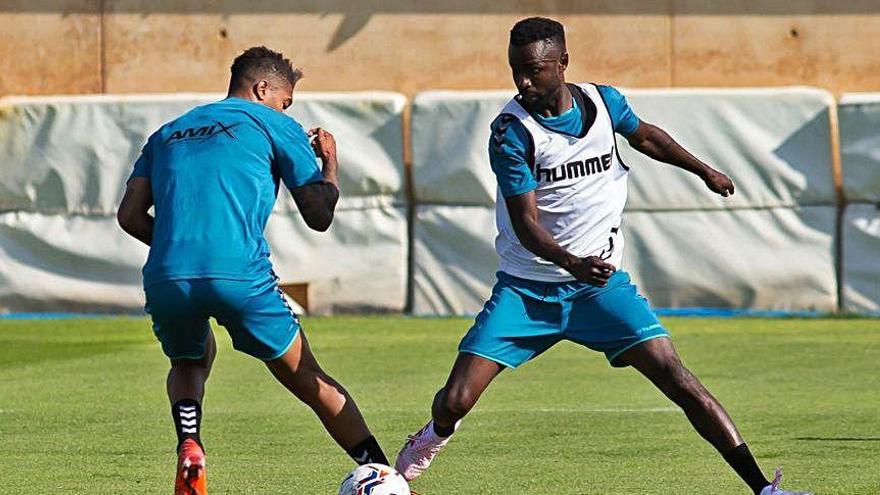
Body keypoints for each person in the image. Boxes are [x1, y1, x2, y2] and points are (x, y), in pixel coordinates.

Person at [395, 17, 810, 495]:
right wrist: (572, 263)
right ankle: (428, 441)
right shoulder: (512, 133)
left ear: (564, 63)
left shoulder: (604, 102)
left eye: (535, 70)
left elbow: (648, 137)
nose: (524, 82)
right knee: (455, 399)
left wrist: (704, 170)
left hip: (599, 287)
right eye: (516, 71)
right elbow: (528, 227)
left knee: (678, 378)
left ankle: (764, 489)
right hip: (527, 290)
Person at [117, 46, 388, 495]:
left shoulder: (167, 133)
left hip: (167, 273)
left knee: (189, 359)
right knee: (310, 380)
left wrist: (176, 245)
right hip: (240, 275)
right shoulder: (276, 125)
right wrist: (330, 163)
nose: (287, 111)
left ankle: (190, 444)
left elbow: (129, 216)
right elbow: (318, 215)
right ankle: (385, 474)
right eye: (286, 101)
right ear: (263, 88)